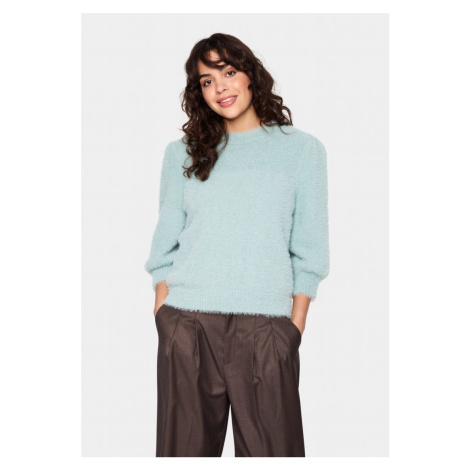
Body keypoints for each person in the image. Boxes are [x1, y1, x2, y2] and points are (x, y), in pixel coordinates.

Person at [144, 33, 330, 457]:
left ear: (251, 76)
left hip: (267, 328)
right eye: (207, 81)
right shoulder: (182, 153)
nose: (220, 88)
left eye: (228, 72)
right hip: (187, 324)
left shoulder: (302, 151)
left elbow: (310, 245)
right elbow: (166, 240)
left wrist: (293, 326)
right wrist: (163, 312)